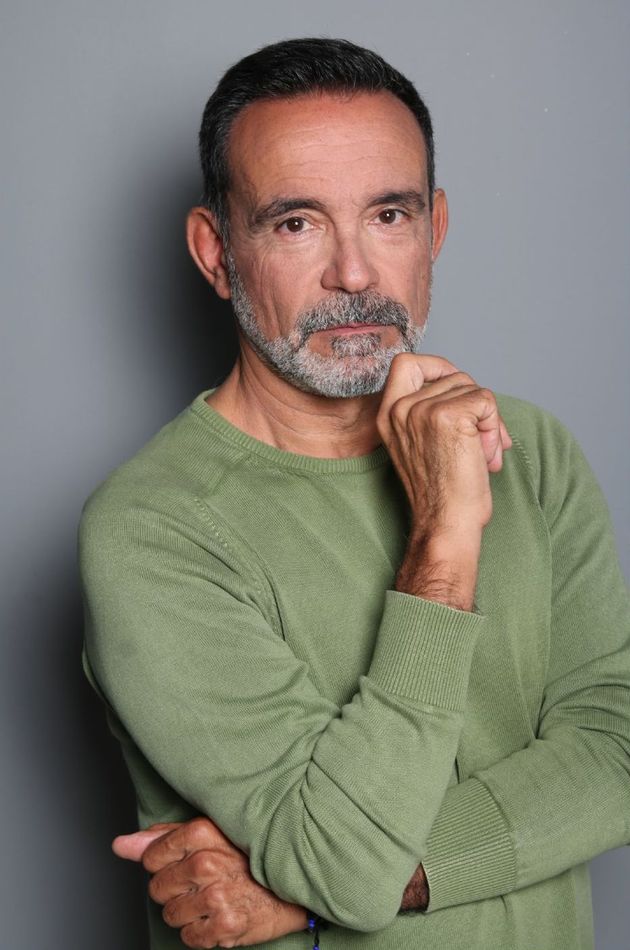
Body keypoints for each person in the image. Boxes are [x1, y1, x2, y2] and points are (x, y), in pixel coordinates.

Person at [78, 37, 630, 950]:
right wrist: (446, 531)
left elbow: (617, 747)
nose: (356, 274)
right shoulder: (153, 528)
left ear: (434, 231)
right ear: (216, 252)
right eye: (296, 223)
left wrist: (306, 890)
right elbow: (346, 864)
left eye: (388, 215)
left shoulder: (531, 451)